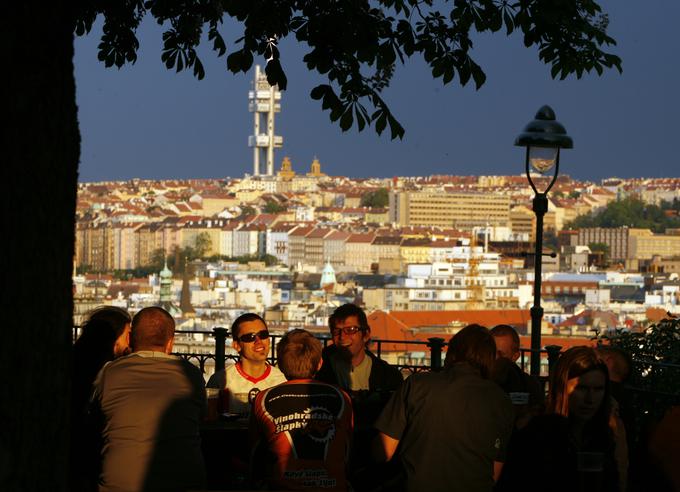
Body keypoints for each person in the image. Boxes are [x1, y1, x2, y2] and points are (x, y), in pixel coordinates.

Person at [375, 324, 514, 492]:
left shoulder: (417, 385)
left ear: (451, 353)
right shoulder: (501, 400)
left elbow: (384, 451)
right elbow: (493, 474)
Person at [89, 307, 206, 492]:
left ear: (132, 339)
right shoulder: (191, 374)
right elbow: (200, 417)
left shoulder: (110, 372)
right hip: (182, 482)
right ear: (170, 343)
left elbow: (95, 416)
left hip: (120, 485)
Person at [497, 346, 621, 492]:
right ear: (562, 387)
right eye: (581, 388)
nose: (590, 399)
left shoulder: (603, 434)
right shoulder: (536, 432)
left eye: (598, 389)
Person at [250, 329, 353, 490]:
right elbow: (347, 445)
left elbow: (255, 450)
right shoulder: (342, 397)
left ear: (281, 365)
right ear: (320, 364)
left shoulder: (263, 399)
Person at [70, 306, 131, 491]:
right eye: (128, 334)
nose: (131, 340)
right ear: (115, 337)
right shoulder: (109, 373)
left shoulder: (79, 363)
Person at [207, 313, 286, 414]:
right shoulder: (220, 381)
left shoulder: (281, 380)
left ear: (269, 340)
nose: (258, 341)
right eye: (250, 337)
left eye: (263, 335)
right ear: (236, 346)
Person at [317, 304, 402, 397]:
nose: (342, 336)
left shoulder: (388, 376)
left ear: (365, 334)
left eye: (350, 330)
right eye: (337, 331)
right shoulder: (317, 369)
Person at [490, 324, 544, 427]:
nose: (494, 358)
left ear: (515, 356)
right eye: (491, 353)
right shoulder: (478, 381)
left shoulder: (528, 385)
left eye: (501, 354)